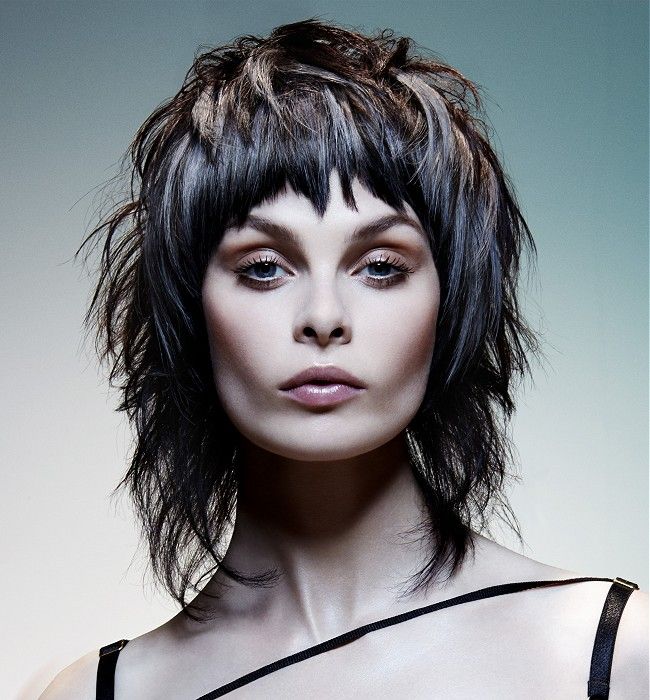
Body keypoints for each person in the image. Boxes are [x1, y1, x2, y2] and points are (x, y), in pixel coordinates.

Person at [41, 18, 647, 700]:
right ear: (188, 307)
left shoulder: (619, 655)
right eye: (264, 267)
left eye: (381, 266)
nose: (324, 316)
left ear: (450, 304)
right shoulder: (101, 691)